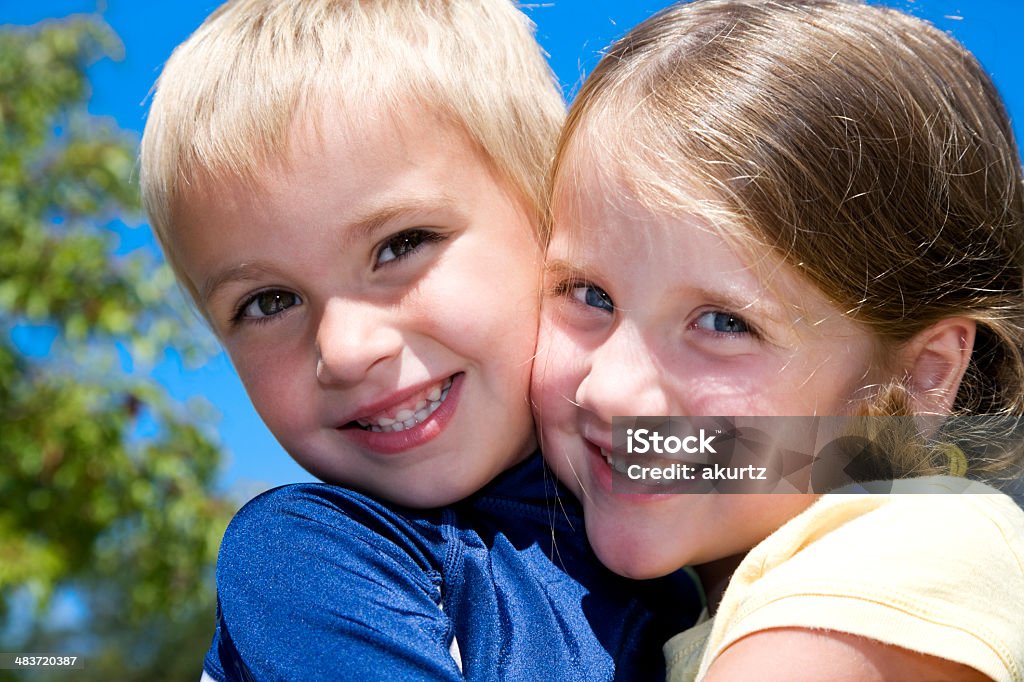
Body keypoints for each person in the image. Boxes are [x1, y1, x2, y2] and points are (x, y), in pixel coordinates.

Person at [139, 0, 699, 679]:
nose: (346, 348)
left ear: (553, 217)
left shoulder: (646, 451)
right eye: (270, 301)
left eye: (400, 244)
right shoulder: (307, 559)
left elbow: (850, 460)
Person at [533, 1, 1024, 680]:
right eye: (590, 295)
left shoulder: (912, 549)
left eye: (725, 323)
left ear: (919, 378)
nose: (610, 388)